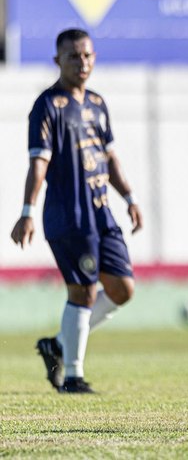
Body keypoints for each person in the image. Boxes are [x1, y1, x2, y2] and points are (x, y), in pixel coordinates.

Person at [10, 28, 143, 394]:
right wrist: (27, 210)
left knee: (123, 289)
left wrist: (130, 198)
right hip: (70, 215)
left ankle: (57, 344)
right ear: (58, 60)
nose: (81, 62)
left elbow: (109, 157)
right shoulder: (47, 106)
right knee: (82, 291)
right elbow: (39, 163)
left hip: (102, 213)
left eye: (86, 55)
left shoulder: (97, 103)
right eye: (73, 56)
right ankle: (72, 376)